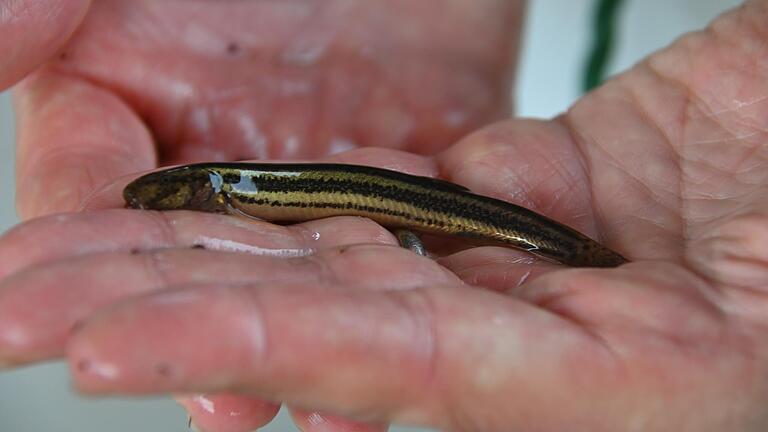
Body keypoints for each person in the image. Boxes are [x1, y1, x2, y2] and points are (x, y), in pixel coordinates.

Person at [0, 1, 766, 431]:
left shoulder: (224, 189)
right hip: (570, 77)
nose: (151, 196)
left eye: (155, 193)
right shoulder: (222, 187)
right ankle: (579, 250)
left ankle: (586, 252)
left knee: (512, 225)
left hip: (613, 80)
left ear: (193, 192)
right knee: (501, 221)